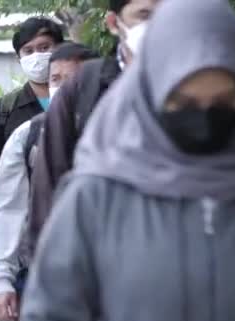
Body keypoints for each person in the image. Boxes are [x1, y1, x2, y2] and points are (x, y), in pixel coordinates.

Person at [21, 1, 235, 321]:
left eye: (223, 100)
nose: (205, 116)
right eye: (184, 101)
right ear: (150, 93)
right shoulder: (96, 197)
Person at [28, 0, 161, 253]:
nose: (158, 24)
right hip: (99, 255)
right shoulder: (84, 87)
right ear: (114, 23)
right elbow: (50, 182)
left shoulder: (207, 81)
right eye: (144, 15)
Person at [0, 42, 98, 321]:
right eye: (55, 80)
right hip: (42, 280)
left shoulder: (120, 131)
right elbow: (6, 210)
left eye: (72, 80)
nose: (62, 88)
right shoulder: (29, 136)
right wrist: (2, 280)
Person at [0, 16, 63, 321]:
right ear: (19, 58)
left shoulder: (91, 102)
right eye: (29, 50)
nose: (38, 56)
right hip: (27, 246)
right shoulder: (9, 109)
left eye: (45, 47)